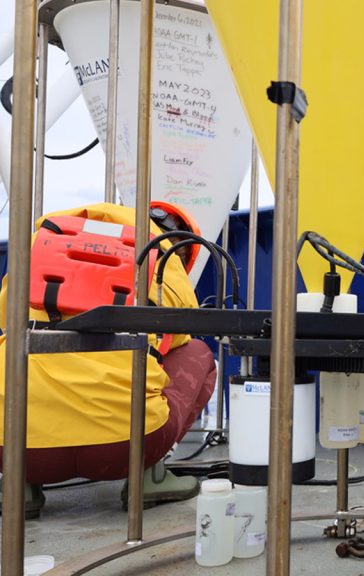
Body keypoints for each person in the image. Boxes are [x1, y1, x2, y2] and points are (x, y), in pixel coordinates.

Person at [0, 202, 217, 518]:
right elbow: (182, 331)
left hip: (17, 448)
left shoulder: (41, 243)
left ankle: (21, 489)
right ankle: (149, 479)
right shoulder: (161, 256)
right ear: (182, 247)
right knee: (195, 351)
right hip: (125, 445)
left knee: (17, 346)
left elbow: (7, 315)